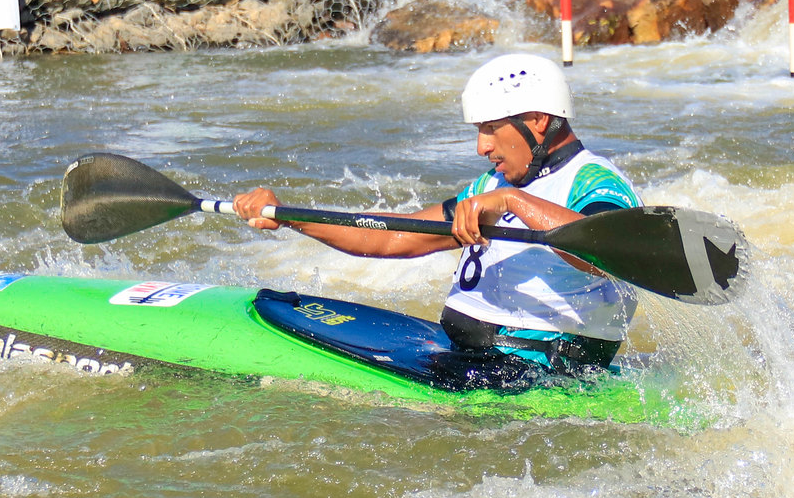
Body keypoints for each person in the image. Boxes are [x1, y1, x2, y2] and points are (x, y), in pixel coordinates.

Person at [233, 54, 640, 370]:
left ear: (536, 120)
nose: (481, 147)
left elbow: (612, 250)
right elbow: (391, 237)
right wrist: (288, 216)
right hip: (474, 357)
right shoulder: (493, 185)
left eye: (490, 129)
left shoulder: (592, 181)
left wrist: (513, 203)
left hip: (539, 373)